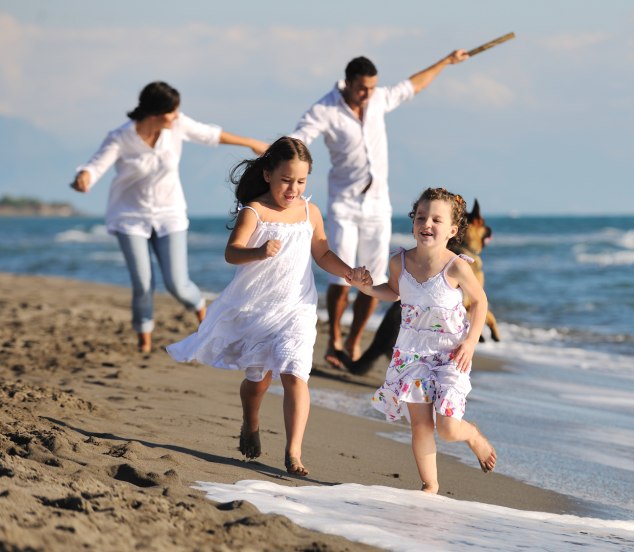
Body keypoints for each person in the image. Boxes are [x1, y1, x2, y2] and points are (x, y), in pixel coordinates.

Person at [167, 137, 361, 477]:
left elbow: (323, 253)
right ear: (269, 174)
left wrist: (348, 272)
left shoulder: (310, 212)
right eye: (286, 180)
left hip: (297, 309)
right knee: (258, 380)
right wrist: (258, 252)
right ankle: (250, 421)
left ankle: (293, 453)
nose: (293, 188)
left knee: (295, 373)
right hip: (257, 308)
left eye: (301, 181)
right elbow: (232, 252)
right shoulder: (254, 211)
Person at [290, 49, 469, 368]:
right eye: (361, 88)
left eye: (372, 87)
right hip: (344, 202)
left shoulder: (378, 100)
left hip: (376, 204)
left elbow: (413, 85)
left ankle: (355, 340)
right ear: (347, 84)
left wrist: (444, 62)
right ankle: (335, 337)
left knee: (373, 277)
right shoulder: (325, 109)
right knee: (342, 272)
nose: (367, 94)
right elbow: (299, 140)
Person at [71, 81, 268, 353]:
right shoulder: (120, 137)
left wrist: (250, 143)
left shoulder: (176, 126)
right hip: (130, 217)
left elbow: (210, 134)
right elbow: (97, 165)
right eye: (172, 111)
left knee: (177, 283)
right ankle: (144, 341)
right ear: (155, 113)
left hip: (170, 214)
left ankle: (199, 308)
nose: (177, 115)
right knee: (143, 282)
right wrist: (84, 177)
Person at [350, 187, 497, 493]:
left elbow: (480, 302)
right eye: (421, 217)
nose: (426, 223)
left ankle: (471, 436)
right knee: (420, 424)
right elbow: (393, 292)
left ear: (452, 231)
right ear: (413, 222)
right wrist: (367, 289)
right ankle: (430, 485)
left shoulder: (455, 265)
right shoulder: (399, 262)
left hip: (451, 353)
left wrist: (470, 342)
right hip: (412, 352)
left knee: (447, 428)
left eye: (436, 219)